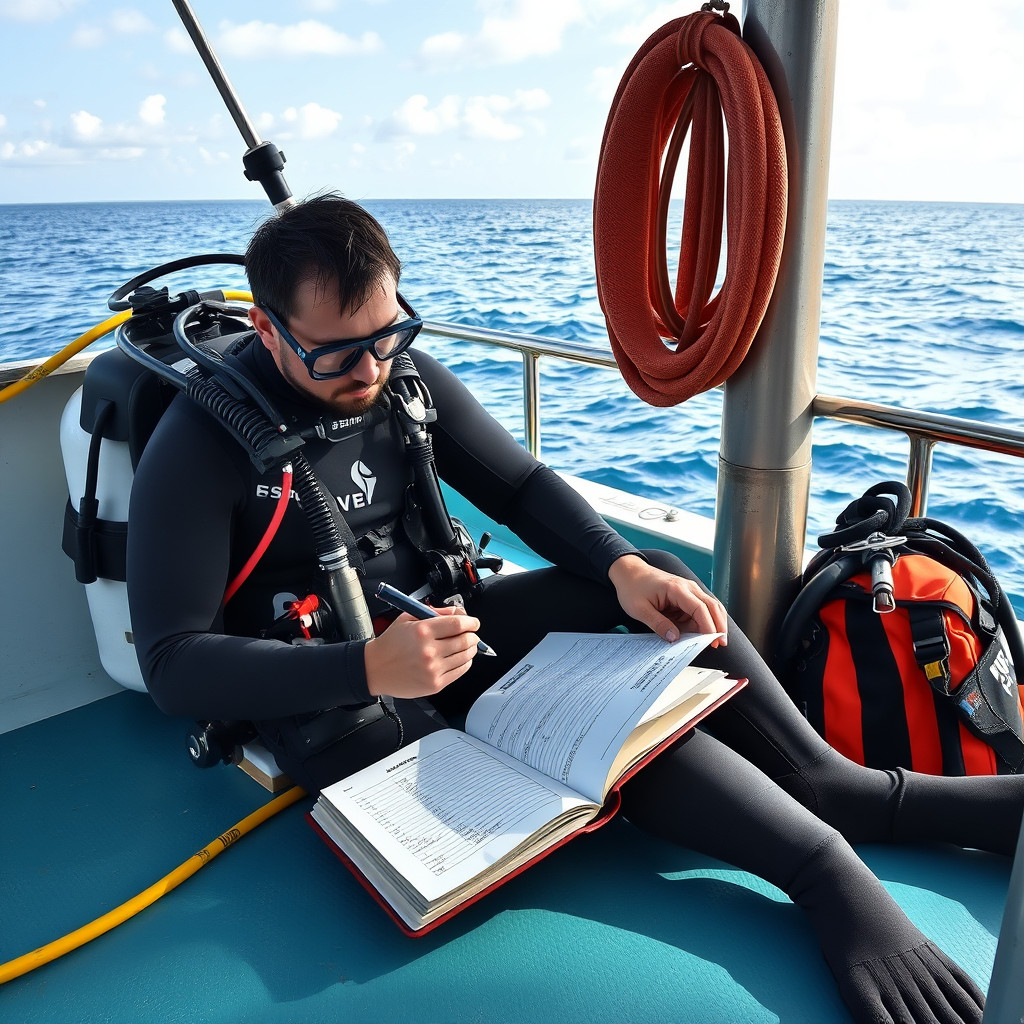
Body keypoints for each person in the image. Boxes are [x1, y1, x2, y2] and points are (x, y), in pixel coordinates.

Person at [127, 193, 1021, 1024]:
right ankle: (822, 868)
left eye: (390, 334)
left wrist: (621, 565)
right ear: (265, 329)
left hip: (445, 632)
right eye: (337, 353)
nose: (372, 368)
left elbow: (517, 485)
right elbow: (172, 662)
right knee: (582, 742)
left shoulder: (402, 376)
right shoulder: (200, 446)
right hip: (333, 690)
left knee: (652, 583)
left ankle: (845, 793)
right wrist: (365, 666)